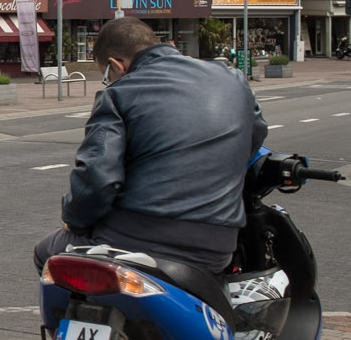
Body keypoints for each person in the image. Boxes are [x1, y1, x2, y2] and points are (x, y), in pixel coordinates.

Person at [34, 17, 269, 277]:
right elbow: (255, 135)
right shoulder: (232, 79)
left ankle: (75, 317)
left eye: (106, 76)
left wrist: (74, 219)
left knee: (47, 253)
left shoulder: (118, 94)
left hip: (134, 241)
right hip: (217, 246)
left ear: (116, 65)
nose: (109, 81)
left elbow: (98, 179)